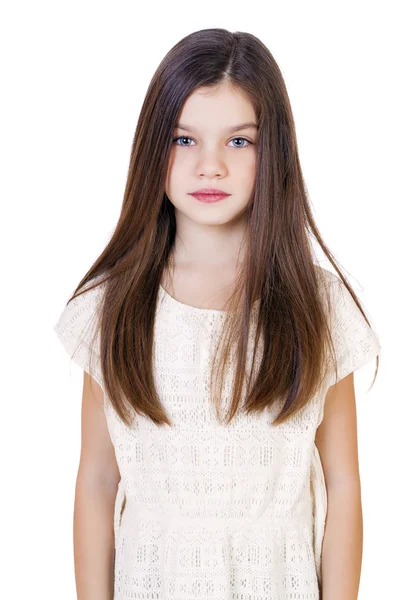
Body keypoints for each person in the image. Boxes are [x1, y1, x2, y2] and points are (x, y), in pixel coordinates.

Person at [53, 28, 381, 600]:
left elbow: (344, 485)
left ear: (273, 149)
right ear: (152, 147)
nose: (210, 166)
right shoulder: (113, 307)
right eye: (183, 140)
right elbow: (98, 482)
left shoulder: (318, 308)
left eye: (238, 142)